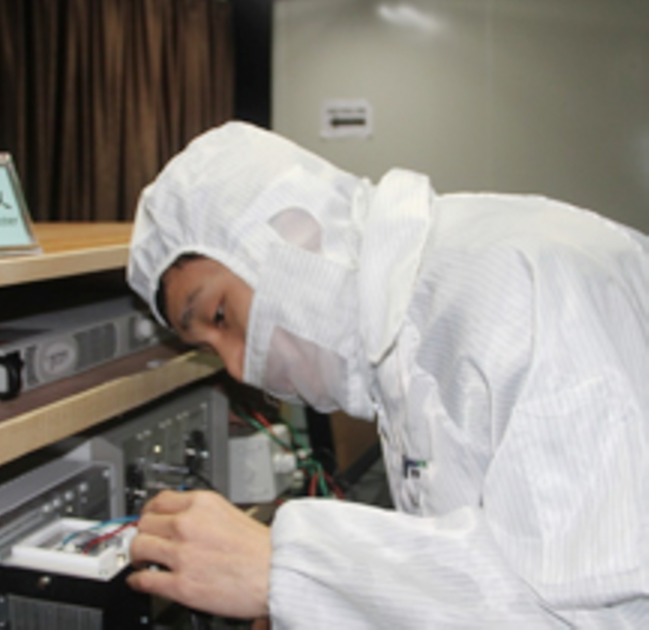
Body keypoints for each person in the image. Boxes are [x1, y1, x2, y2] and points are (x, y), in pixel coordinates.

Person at [124, 121, 649, 628]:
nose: (239, 367)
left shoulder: (520, 285)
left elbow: (601, 612)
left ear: (290, 229)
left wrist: (290, 573)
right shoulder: (401, 345)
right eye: (209, 349)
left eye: (220, 315)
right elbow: (481, 569)